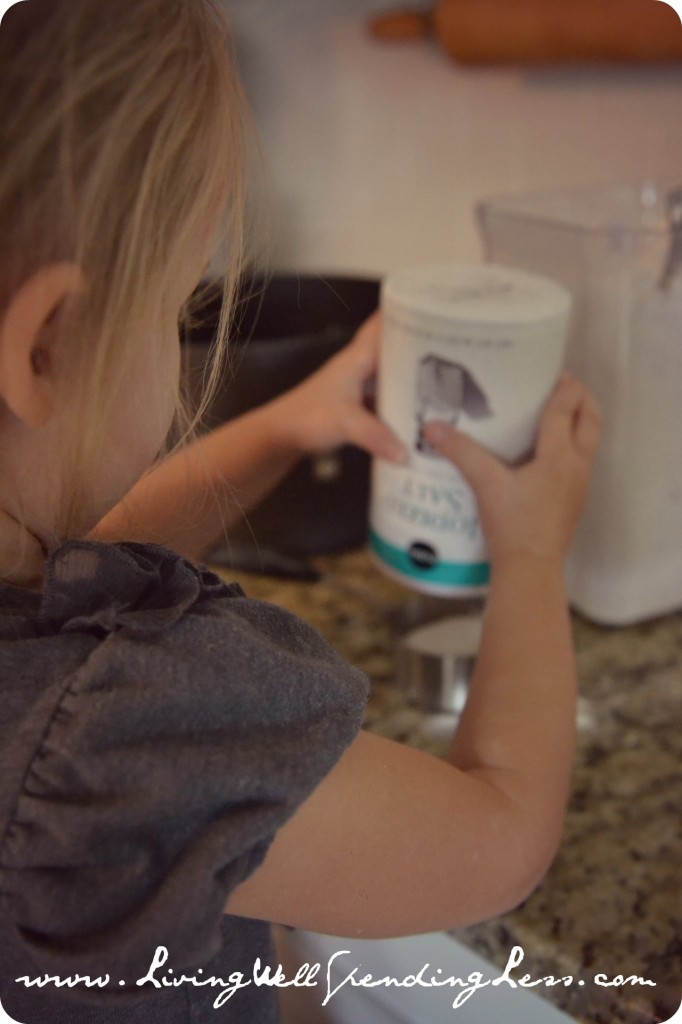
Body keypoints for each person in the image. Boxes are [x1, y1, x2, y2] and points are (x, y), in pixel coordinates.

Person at [0, 1, 601, 1022]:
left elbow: (79, 560)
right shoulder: (123, 727)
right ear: (45, 343)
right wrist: (534, 548)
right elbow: (497, 841)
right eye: (179, 302)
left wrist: (284, 424)